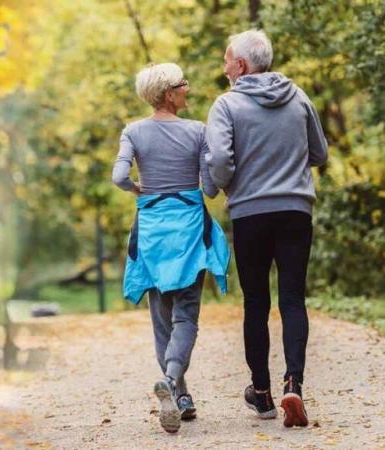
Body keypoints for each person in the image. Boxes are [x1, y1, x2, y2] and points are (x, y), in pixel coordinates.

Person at [205, 29, 328, 428]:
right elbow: (319, 152)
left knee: (256, 303)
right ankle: (295, 382)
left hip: (251, 213)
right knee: (292, 298)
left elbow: (220, 160)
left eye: (227, 60)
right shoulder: (300, 97)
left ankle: (262, 394)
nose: (224, 67)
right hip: (296, 209)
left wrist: (224, 186)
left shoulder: (227, 105)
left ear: (240, 65)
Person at [112, 63, 230, 434]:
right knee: (186, 316)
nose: (188, 89)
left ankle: (178, 394)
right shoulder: (198, 131)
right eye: (182, 84)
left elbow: (118, 177)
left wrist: (138, 189)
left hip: (151, 231)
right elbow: (210, 189)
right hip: (189, 229)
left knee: (161, 317)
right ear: (168, 93)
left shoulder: (133, 132)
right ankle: (174, 377)